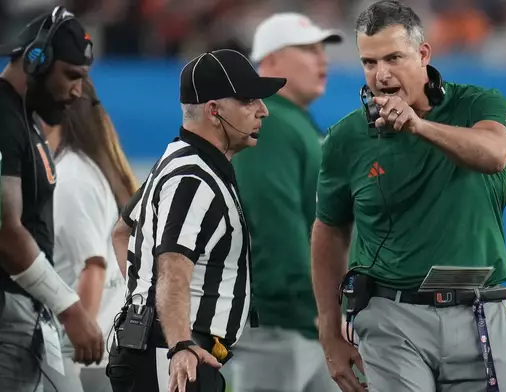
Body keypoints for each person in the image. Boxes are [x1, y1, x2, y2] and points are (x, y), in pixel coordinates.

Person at [311, 1, 506, 392]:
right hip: (391, 314)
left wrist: (420, 127)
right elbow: (329, 230)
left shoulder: (478, 104)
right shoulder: (346, 137)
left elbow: (494, 154)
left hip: (480, 312)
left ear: (423, 54)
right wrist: (329, 332)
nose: (381, 75)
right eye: (369, 63)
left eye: (393, 58)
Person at [106, 49, 286, 392]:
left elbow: (122, 231)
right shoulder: (194, 177)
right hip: (176, 354)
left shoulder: (180, 159)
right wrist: (179, 343)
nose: (263, 110)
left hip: (164, 346)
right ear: (214, 111)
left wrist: (143, 297)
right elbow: (173, 264)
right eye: (249, 99)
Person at [229, 12, 343, 392]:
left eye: (322, 50)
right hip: (284, 320)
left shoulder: (296, 122)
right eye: (309, 50)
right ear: (271, 61)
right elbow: (273, 220)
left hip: (308, 319)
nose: (322, 59)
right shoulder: (271, 120)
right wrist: (313, 304)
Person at [0, 7, 104, 392]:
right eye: (71, 76)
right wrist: (70, 308)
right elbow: (6, 231)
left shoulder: (25, 119)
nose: (77, 91)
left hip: (24, 313)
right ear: (36, 60)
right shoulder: (3, 118)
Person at [40, 77, 137, 392]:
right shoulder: (86, 170)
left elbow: (92, 267)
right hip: (107, 349)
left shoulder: (71, 179)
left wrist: (73, 349)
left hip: (86, 359)